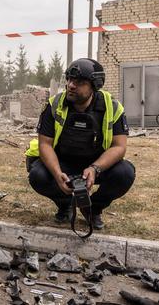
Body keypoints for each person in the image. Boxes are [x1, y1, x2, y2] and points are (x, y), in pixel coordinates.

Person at [26, 58, 135, 230]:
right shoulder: (54, 105)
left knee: (125, 173)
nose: (70, 85)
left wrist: (95, 168)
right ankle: (66, 203)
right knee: (37, 174)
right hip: (63, 164)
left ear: (94, 85)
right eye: (69, 79)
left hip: (96, 166)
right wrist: (57, 174)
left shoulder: (112, 107)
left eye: (79, 82)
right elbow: (45, 145)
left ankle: (92, 208)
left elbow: (119, 146)